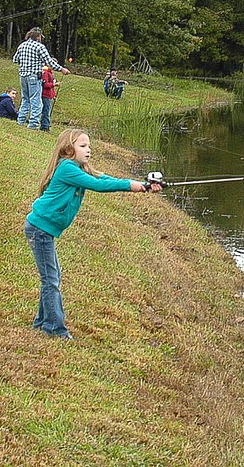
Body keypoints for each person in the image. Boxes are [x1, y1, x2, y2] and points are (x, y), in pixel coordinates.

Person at [24, 128, 161, 340]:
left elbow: (102, 177)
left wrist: (141, 186)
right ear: (68, 149)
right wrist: (130, 186)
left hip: (44, 230)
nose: (88, 150)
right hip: (39, 229)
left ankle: (43, 322)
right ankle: (54, 328)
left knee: (52, 277)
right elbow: (98, 185)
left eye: (89, 146)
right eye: (83, 146)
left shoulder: (79, 168)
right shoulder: (68, 168)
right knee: (51, 279)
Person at [13, 27, 70, 129]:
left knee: (25, 99)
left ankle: (20, 121)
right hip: (34, 76)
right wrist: (62, 69)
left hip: (23, 76)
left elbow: (15, 59)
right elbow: (50, 62)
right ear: (38, 36)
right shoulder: (39, 47)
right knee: (36, 101)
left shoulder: (22, 45)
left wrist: (26, 63)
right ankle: (33, 124)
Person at [40, 65, 59, 131]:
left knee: (48, 111)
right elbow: (45, 85)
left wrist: (54, 95)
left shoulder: (51, 74)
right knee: (46, 111)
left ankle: (46, 125)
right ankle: (45, 126)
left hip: (49, 96)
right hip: (45, 95)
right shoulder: (45, 73)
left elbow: (52, 89)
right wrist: (54, 84)